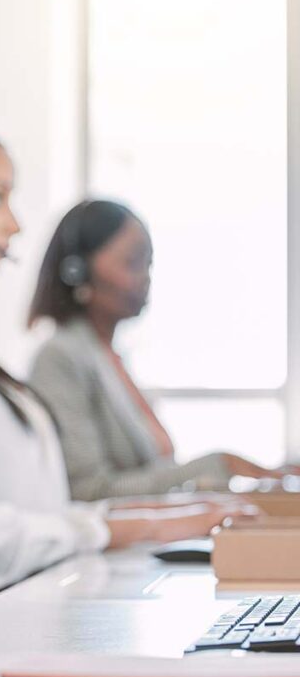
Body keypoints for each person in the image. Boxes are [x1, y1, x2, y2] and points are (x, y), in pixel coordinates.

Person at [0, 118, 234, 606]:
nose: (14, 224)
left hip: (37, 596)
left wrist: (150, 518)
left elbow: (34, 506)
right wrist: (139, 524)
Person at [27, 199, 297, 502]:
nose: (145, 277)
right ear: (77, 271)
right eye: (131, 262)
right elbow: (89, 492)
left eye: (148, 263)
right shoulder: (60, 358)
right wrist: (216, 466)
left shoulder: (112, 357)